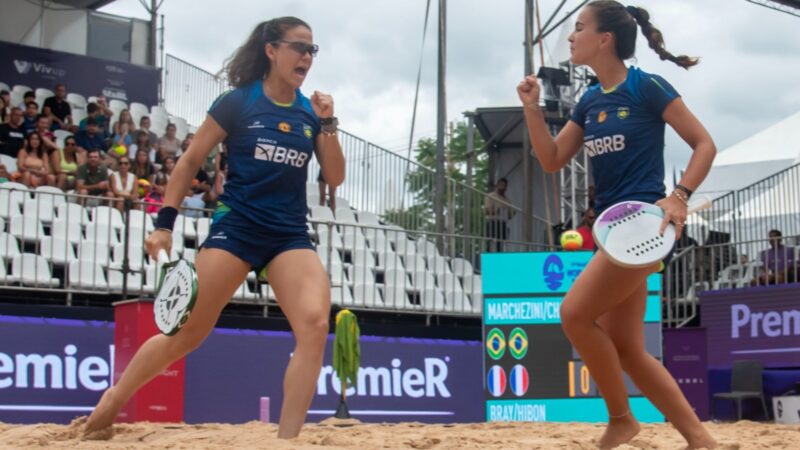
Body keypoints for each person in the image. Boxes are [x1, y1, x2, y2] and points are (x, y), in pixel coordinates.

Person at [83, 16, 345, 440]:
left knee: (315, 325)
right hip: (237, 228)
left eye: (312, 50)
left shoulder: (310, 113)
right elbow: (189, 161)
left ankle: (288, 441)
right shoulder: (238, 102)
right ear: (271, 50)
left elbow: (334, 179)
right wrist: (164, 224)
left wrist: (329, 123)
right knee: (185, 336)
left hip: (288, 235)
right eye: (299, 47)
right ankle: (115, 398)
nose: (307, 57)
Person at [517, 2, 717, 448]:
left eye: (579, 28)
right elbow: (551, 161)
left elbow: (705, 144)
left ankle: (622, 419)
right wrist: (532, 108)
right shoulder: (590, 101)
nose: (571, 36)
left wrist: (679, 195)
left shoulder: (646, 86)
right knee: (626, 347)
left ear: (604, 39)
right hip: (612, 233)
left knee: (573, 314)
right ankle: (700, 439)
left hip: (645, 229)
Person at [484, 178, 515, 251]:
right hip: (493, 222)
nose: (503, 187)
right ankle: (490, 259)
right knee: (491, 243)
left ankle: (499, 259)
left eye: (504, 185)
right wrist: (497, 210)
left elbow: (509, 216)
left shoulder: (507, 199)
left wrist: (512, 213)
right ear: (497, 185)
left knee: (501, 244)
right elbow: (487, 211)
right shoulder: (491, 196)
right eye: (501, 185)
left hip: (503, 223)